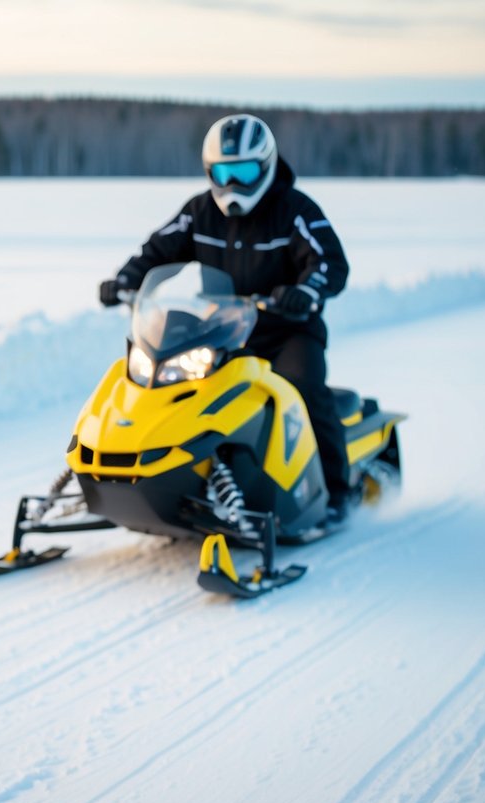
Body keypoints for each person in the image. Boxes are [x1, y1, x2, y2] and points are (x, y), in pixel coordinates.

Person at [100, 113, 352, 523]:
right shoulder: (200, 211)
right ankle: (176, 480)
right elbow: (158, 249)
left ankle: (335, 492)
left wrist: (307, 290)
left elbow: (331, 262)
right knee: (176, 390)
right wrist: (126, 279)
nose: (233, 183)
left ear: (266, 166)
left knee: (303, 388)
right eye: (223, 171)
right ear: (209, 171)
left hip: (288, 329)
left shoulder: (295, 210)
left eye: (244, 171)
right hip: (226, 329)